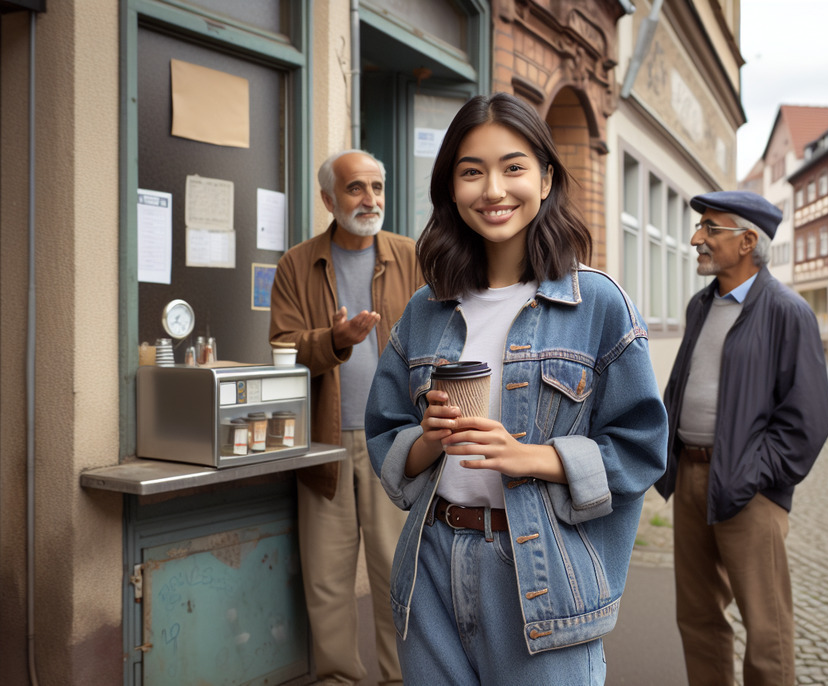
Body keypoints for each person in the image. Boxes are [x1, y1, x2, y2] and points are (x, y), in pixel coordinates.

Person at [364, 92, 668, 685]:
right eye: (471, 171)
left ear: (547, 178)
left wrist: (528, 457)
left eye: (513, 167)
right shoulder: (427, 310)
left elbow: (641, 449)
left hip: (540, 572)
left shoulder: (597, 304)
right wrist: (429, 440)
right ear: (451, 188)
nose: (493, 190)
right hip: (432, 562)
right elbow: (386, 433)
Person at [654, 190, 828, 685]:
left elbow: (809, 419)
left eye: (711, 229)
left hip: (749, 491)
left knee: (766, 626)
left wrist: (756, 475)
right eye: (700, 229)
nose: (697, 239)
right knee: (697, 615)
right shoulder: (700, 305)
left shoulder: (786, 311)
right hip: (689, 477)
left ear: (748, 241)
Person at [269, 149, 421, 686]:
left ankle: (401, 678)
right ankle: (338, 679)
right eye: (357, 188)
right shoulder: (297, 264)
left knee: (395, 575)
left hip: (396, 442)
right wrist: (332, 341)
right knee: (327, 581)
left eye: (377, 187)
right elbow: (283, 349)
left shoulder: (412, 257)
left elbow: (447, 335)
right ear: (329, 199)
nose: (370, 200)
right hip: (323, 444)